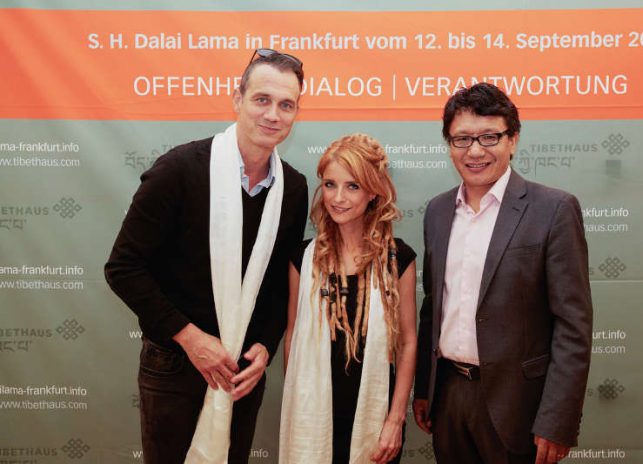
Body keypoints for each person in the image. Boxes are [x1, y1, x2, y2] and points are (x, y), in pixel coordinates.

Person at [104, 49, 308, 464]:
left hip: (241, 373)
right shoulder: (179, 170)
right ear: (237, 99)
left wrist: (266, 347)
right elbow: (123, 268)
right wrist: (191, 338)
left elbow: (276, 283)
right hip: (176, 364)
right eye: (262, 99)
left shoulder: (294, 188)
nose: (273, 114)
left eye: (286, 105)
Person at [413, 82, 593, 464]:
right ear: (448, 145)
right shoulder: (438, 211)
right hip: (449, 398)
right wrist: (424, 390)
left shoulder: (554, 209)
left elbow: (573, 327)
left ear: (513, 139)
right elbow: (433, 306)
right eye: (462, 139)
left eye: (489, 136)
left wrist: (557, 420)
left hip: (519, 407)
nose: (475, 151)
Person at [279, 134, 417, 464]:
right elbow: (292, 335)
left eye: (352, 186)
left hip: (374, 412)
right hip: (313, 415)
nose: (338, 198)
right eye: (330, 184)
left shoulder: (399, 259)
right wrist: (298, 401)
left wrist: (396, 419)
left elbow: (408, 342)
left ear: (373, 192)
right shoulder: (303, 258)